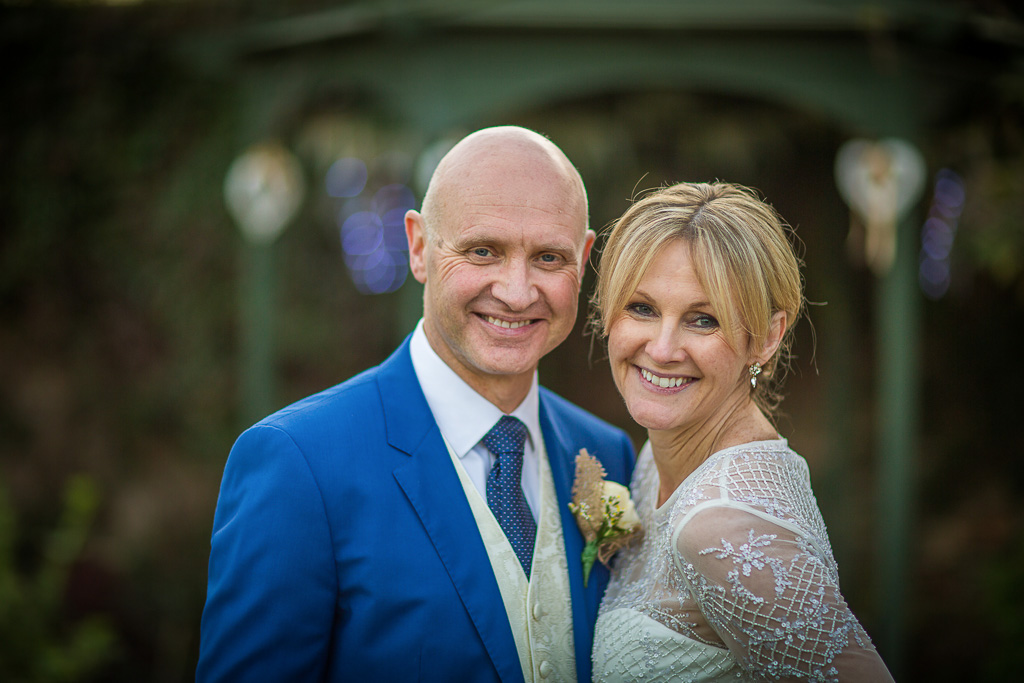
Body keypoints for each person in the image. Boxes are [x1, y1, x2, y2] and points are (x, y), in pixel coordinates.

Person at [196, 126, 635, 683]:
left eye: (549, 258)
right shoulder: (297, 464)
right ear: (420, 247)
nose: (517, 291)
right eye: (483, 251)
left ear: (584, 259)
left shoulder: (606, 454)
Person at [589, 182, 894, 682]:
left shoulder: (722, 525)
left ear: (768, 337)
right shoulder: (660, 454)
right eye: (642, 308)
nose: (662, 349)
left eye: (703, 320)